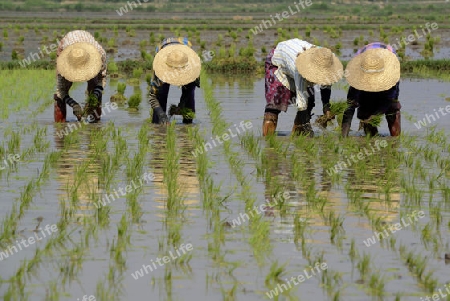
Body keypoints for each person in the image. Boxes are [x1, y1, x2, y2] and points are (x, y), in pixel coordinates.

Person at [262, 38, 343, 137]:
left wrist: (326, 108)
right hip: (279, 60)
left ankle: (297, 138)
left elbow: (326, 84)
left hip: (294, 55)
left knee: (309, 102)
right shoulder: (300, 69)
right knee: (275, 104)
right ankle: (267, 142)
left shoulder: (326, 59)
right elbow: (301, 104)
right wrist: (307, 127)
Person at [341, 42, 401, 137]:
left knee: (393, 108)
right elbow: (350, 107)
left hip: (386, 65)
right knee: (365, 113)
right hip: (365, 67)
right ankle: (371, 138)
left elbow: (390, 99)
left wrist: (375, 115)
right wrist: (343, 137)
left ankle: (395, 140)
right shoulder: (357, 75)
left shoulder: (391, 72)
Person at [54, 30, 107, 123]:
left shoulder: (100, 55)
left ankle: (95, 124)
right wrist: (73, 104)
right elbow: (60, 90)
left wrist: (93, 97)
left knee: (94, 88)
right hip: (66, 45)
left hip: (88, 44)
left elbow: (101, 80)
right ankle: (60, 128)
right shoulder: (63, 63)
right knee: (60, 97)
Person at [148, 37, 201, 124]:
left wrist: (181, 105)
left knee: (189, 98)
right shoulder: (161, 68)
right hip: (163, 49)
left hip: (184, 47)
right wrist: (161, 115)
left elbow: (190, 89)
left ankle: (188, 127)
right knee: (161, 95)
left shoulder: (193, 66)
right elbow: (152, 96)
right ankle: (158, 127)